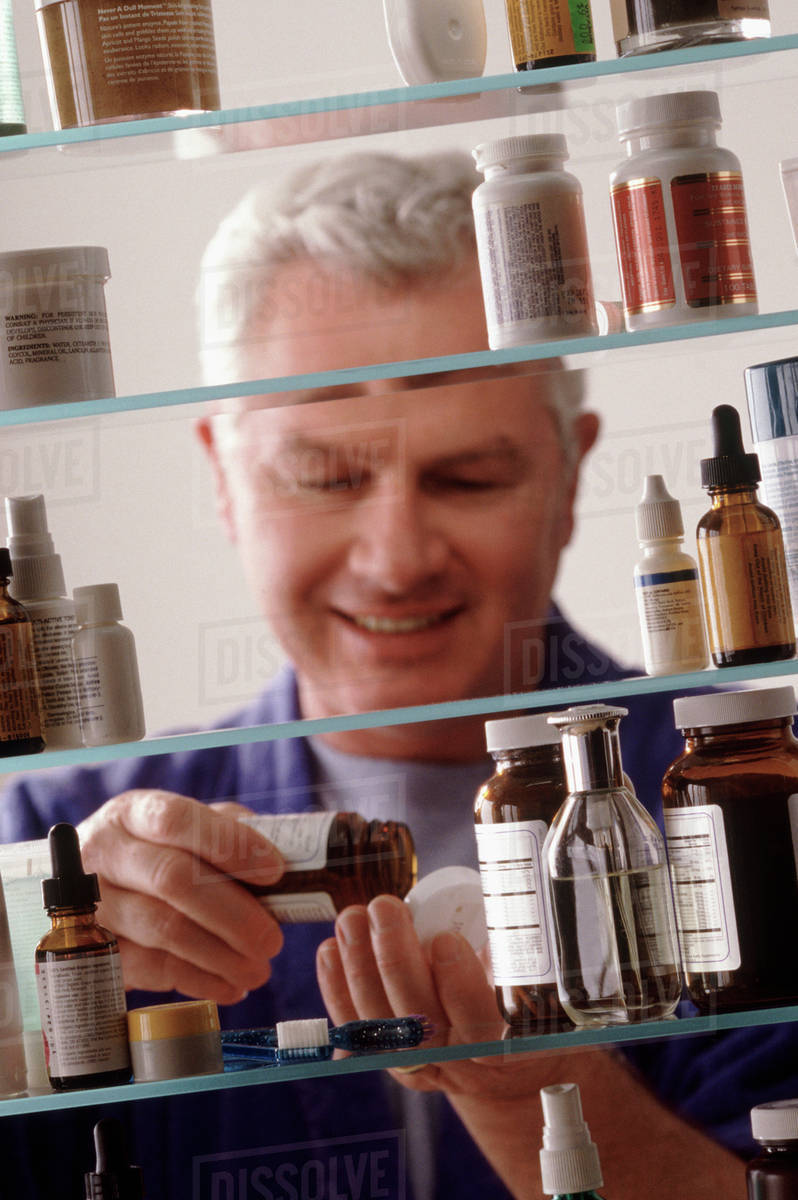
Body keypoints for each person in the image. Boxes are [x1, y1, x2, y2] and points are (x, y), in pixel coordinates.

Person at [0, 150, 789, 1198]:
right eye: (324, 478)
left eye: (468, 474)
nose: (396, 555)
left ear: (568, 474)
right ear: (224, 480)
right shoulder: (57, 841)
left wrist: (531, 1091)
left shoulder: (749, 791)